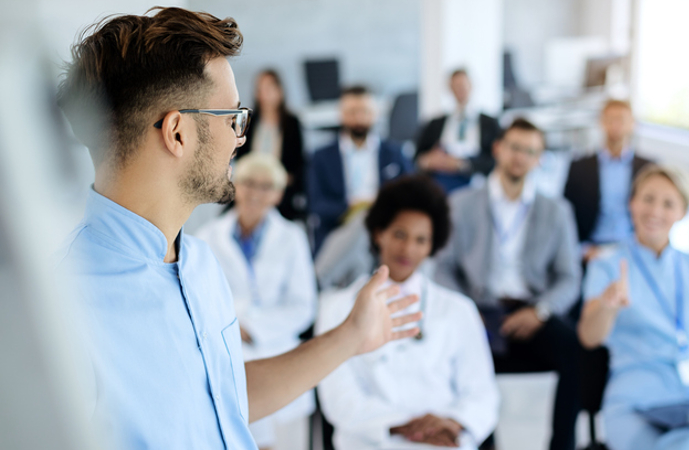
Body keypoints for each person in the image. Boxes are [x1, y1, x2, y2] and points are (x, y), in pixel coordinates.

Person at [55, 8, 421, 450]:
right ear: (178, 133)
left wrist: (350, 337)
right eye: (232, 117)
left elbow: (220, 397)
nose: (240, 138)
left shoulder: (201, 265)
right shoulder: (61, 308)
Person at [316, 175, 500, 450]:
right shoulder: (337, 308)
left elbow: (482, 394)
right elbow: (339, 398)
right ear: (379, 233)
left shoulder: (458, 309)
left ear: (432, 245)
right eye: (399, 235)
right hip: (372, 441)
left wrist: (451, 424)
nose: (408, 249)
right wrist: (406, 426)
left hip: (444, 441)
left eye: (421, 240)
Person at [435, 118, 582, 450]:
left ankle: (562, 446)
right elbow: (442, 268)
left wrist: (541, 310)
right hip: (479, 309)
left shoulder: (556, 211)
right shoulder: (461, 204)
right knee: (462, 359)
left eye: (530, 152)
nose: (520, 158)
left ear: (539, 159)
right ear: (498, 149)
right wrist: (466, 311)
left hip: (530, 309)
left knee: (575, 348)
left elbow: (569, 277)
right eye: (515, 148)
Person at [578, 164, 689, 450]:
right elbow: (588, 337)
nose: (655, 211)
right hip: (635, 403)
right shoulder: (607, 266)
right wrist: (607, 305)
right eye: (647, 199)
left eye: (668, 203)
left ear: (682, 212)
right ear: (632, 203)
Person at [194, 154, 316, 450]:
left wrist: (252, 328)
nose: (256, 193)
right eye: (249, 183)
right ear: (235, 185)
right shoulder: (207, 237)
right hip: (228, 351)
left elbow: (303, 307)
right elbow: (200, 299)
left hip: (278, 354)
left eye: (266, 186)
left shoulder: (292, 237)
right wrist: (236, 326)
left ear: (277, 194)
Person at [308, 85, 413, 254]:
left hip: (386, 230)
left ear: (375, 113)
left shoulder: (395, 154)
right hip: (338, 230)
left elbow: (410, 196)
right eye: (352, 112)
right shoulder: (321, 157)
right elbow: (316, 203)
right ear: (341, 114)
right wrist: (349, 207)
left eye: (364, 111)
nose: (358, 118)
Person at [563, 99, 653, 262]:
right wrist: (581, 250)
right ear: (601, 122)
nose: (616, 125)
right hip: (591, 250)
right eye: (610, 119)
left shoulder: (648, 169)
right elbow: (565, 215)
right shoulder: (579, 167)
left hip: (634, 250)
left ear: (632, 124)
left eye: (622, 119)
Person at [235, 69, 307, 221]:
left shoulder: (292, 123)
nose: (264, 94)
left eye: (269, 88)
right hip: (250, 184)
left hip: (280, 188)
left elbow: (299, 162)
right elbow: (240, 158)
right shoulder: (249, 122)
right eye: (260, 89)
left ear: (279, 91)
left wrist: (284, 179)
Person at [415, 69, 501, 193]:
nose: (460, 90)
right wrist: (429, 161)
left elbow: (497, 159)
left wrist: (462, 164)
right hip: (442, 181)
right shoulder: (435, 124)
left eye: (463, 85)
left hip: (476, 181)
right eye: (455, 86)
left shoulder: (490, 123)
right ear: (450, 89)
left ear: (471, 86)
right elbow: (418, 157)